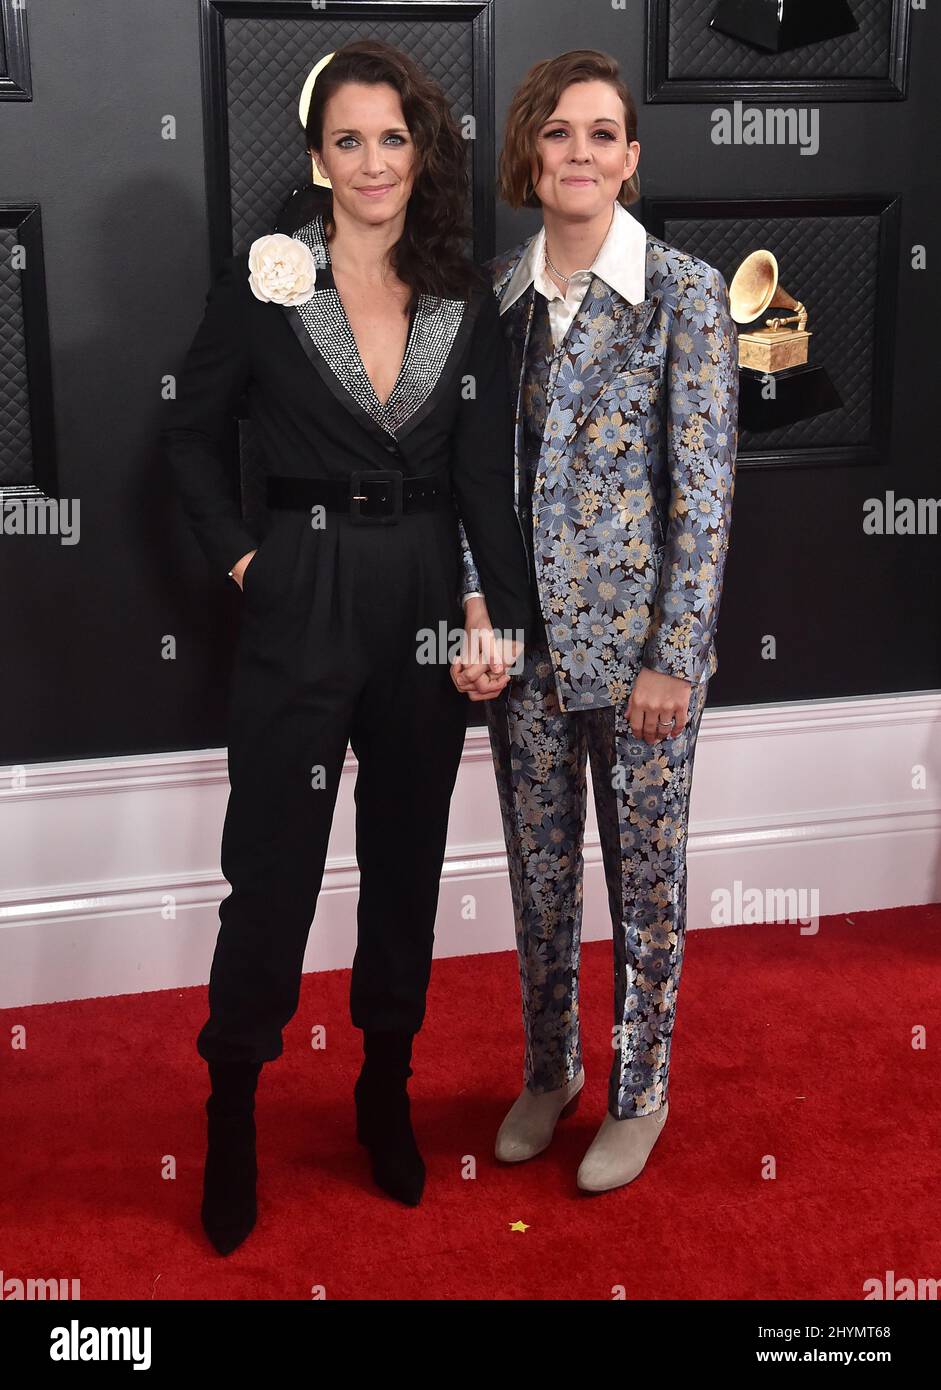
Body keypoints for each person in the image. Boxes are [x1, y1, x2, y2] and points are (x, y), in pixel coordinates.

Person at [161, 39, 529, 1254]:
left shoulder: (466, 295)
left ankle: (383, 1088)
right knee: (269, 866)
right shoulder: (266, 283)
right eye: (349, 139)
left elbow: (482, 478)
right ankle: (231, 1110)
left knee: (405, 858)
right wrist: (247, 561)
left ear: (421, 154)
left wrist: (496, 613)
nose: (373, 161)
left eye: (393, 138)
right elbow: (190, 435)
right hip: (301, 583)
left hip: (424, 588)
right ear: (318, 158)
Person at [452, 49, 738, 1192]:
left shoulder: (684, 293)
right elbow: (470, 476)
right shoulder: (494, 298)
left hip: (639, 666)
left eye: (601, 134)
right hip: (522, 655)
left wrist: (674, 655)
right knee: (536, 876)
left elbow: (705, 490)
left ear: (629, 156)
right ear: (530, 152)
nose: (579, 152)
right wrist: (480, 614)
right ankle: (547, 1066)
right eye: (559, 132)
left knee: (646, 882)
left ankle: (638, 1089)